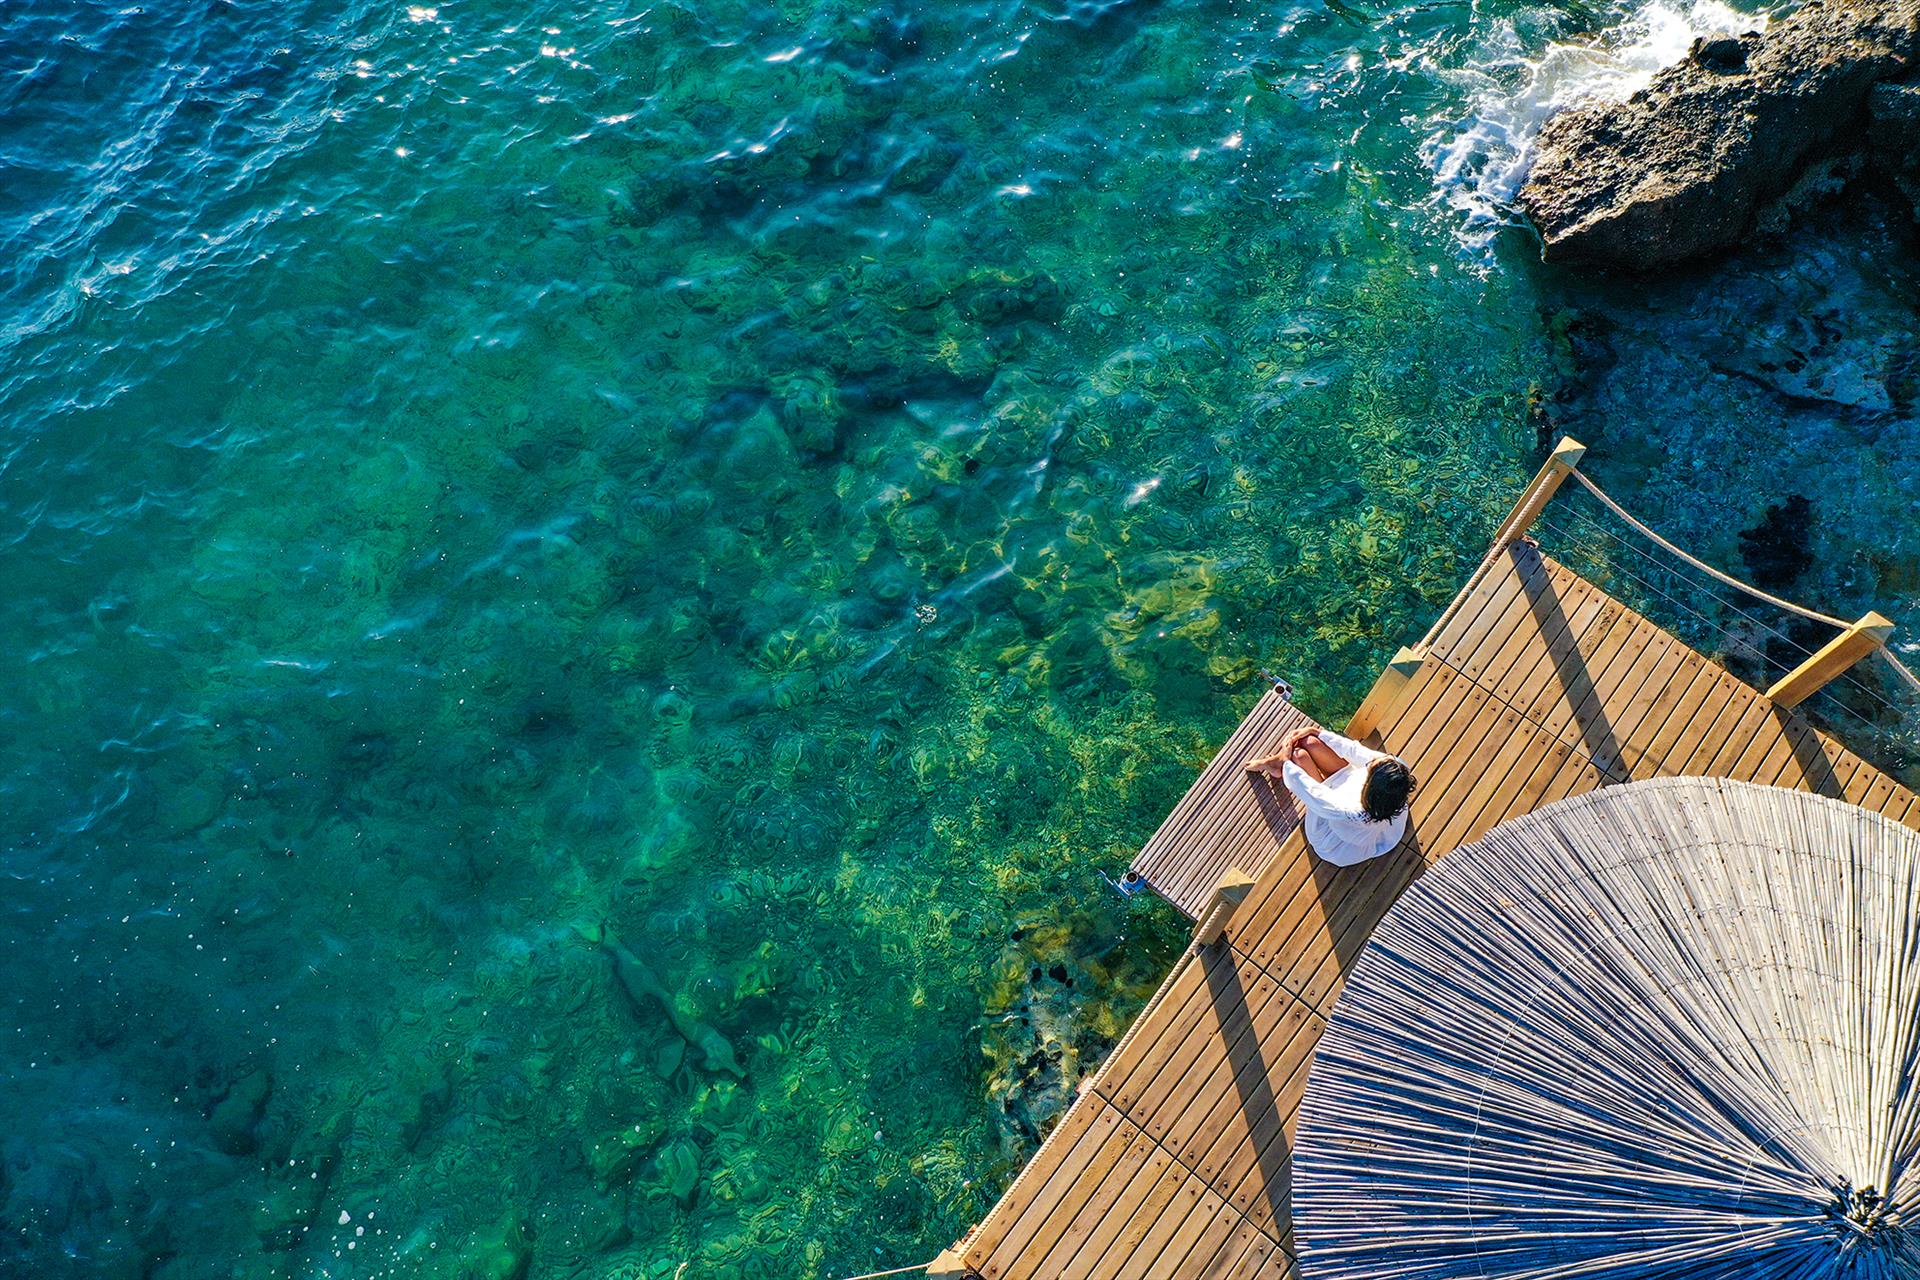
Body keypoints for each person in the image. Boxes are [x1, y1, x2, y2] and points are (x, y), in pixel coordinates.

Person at [1246, 726, 1415, 866]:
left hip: (1335, 839)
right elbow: (1357, 751)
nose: (1372, 762)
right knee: (1309, 741)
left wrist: (1286, 763)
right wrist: (1318, 733)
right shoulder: (1396, 771)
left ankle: (1278, 764)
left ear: (1370, 784)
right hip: (1351, 794)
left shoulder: (1350, 812)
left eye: (1371, 767)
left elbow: (1312, 793)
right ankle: (1279, 764)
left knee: (1299, 757)